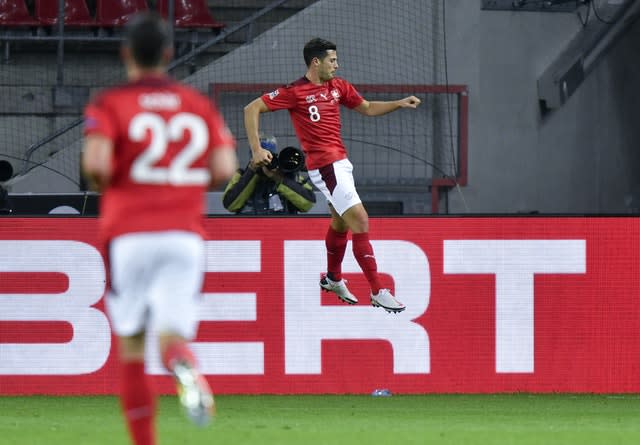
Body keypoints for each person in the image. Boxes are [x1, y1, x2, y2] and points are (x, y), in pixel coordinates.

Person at [81, 12, 237, 445]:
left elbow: (96, 165)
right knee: (171, 337)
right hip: (183, 235)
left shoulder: (110, 102)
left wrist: (122, 181)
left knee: (132, 347)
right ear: (169, 53)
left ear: (126, 52)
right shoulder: (197, 104)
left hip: (129, 234)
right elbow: (225, 168)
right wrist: (178, 184)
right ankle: (183, 361)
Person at [244, 37, 421, 313]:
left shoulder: (338, 87)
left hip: (341, 164)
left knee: (340, 224)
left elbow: (367, 108)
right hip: (326, 167)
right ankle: (377, 290)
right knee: (361, 220)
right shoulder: (295, 92)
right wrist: (256, 149)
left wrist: (398, 103)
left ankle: (332, 278)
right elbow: (251, 108)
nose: (337, 65)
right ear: (316, 62)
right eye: (332, 60)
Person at [222, 135, 316, 214]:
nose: (265, 162)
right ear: (253, 157)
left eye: (269, 158)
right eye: (261, 158)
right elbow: (230, 204)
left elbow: (308, 203)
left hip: (284, 229)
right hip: (250, 231)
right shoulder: (242, 175)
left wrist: (278, 178)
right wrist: (252, 171)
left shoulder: (289, 176)